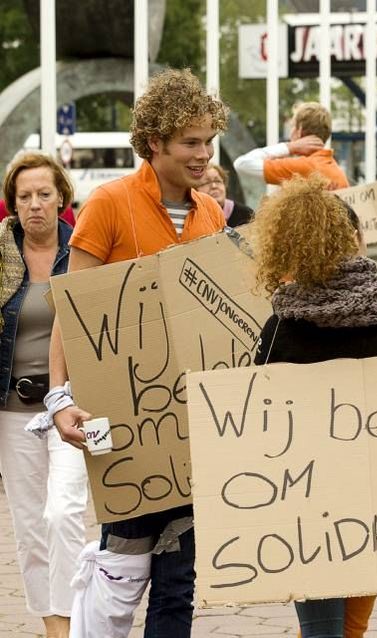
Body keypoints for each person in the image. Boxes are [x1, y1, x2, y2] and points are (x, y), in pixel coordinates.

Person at [48, 68, 228, 637]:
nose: (203, 154)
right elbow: (71, 315)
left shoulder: (211, 215)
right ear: (156, 143)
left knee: (179, 584)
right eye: (190, 142)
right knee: (121, 573)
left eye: (208, 141)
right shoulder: (108, 204)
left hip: (189, 427)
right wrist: (59, 398)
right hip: (122, 422)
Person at [251, 175, 377, 638]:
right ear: (353, 239)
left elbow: (254, 415)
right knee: (353, 625)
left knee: (321, 628)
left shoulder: (282, 325)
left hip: (303, 496)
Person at [0, 152, 87, 638]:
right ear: (13, 204)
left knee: (64, 512)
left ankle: (75, 620)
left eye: (44, 194)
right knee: (31, 527)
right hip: (11, 407)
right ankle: (56, 627)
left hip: (70, 406)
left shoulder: (83, 251)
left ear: (62, 198)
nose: (35, 205)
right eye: (25, 196)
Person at [234, 101, 350, 190]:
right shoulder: (336, 170)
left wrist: (289, 147)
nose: (290, 133)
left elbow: (242, 164)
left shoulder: (303, 166)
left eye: (292, 126)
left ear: (299, 131)